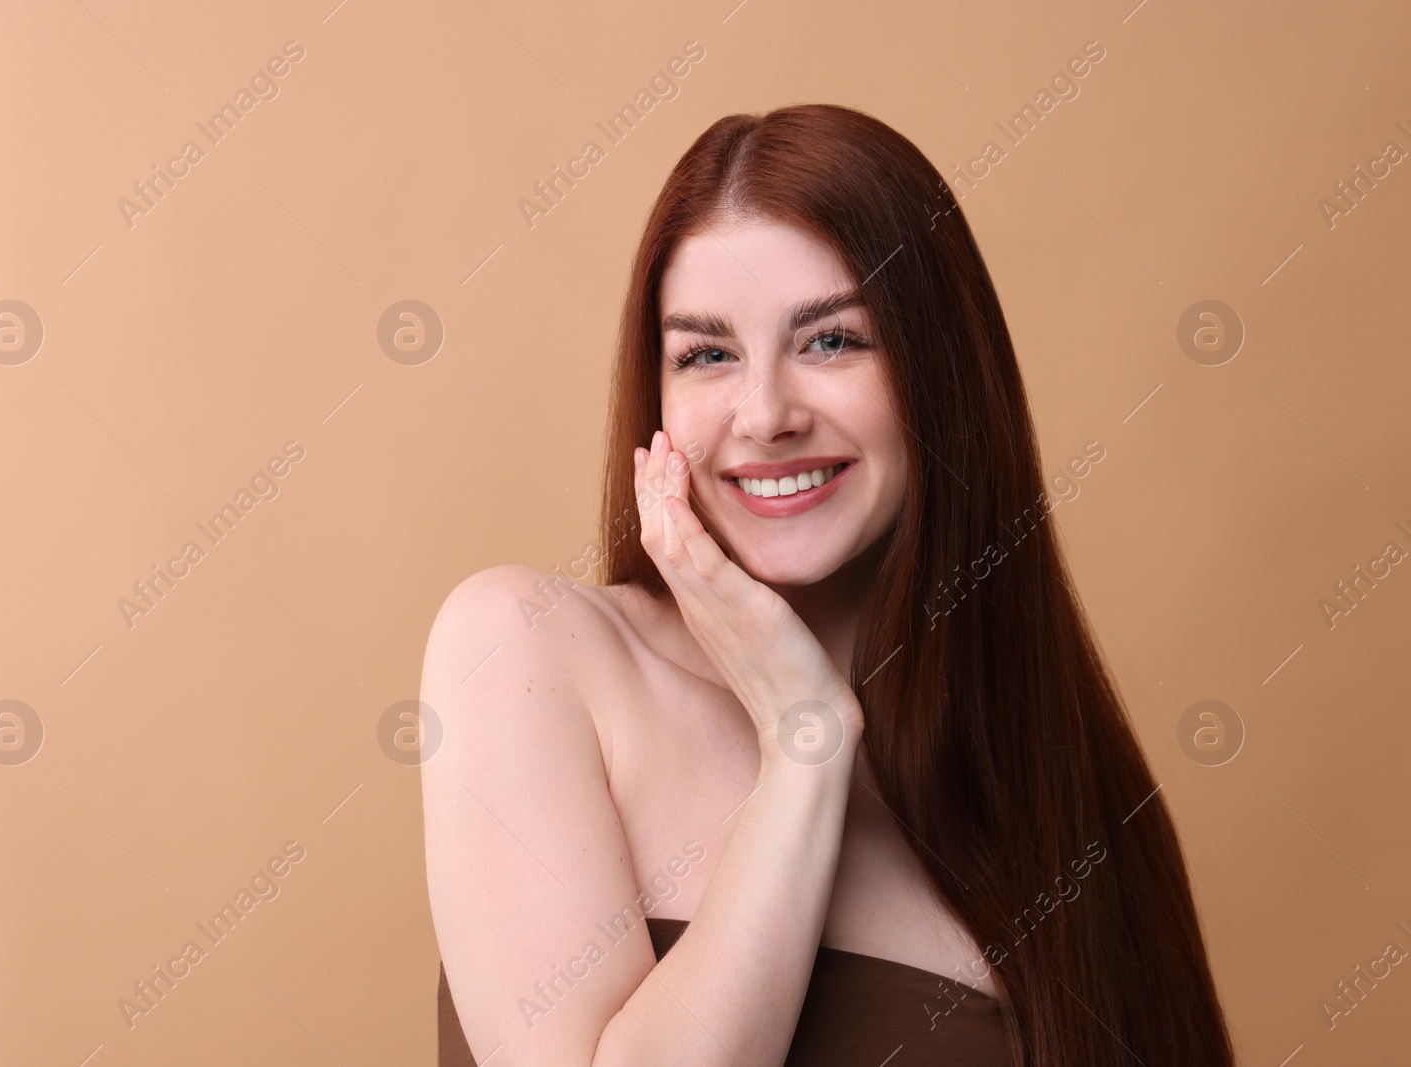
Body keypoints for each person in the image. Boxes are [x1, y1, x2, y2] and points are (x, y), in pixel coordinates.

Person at [419, 104, 1236, 1066]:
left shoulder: (1064, 796)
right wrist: (806, 743)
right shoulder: (528, 650)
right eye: (707, 354)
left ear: (940, 374)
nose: (764, 414)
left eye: (833, 341)